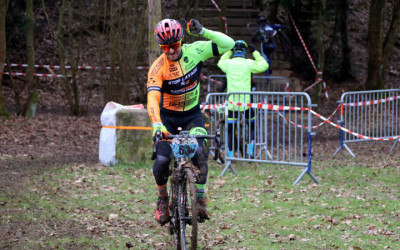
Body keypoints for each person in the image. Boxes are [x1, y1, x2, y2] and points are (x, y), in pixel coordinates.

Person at [147, 18, 235, 225]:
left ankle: (200, 198)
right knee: (161, 161)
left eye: (174, 45)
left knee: (199, 153)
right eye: (165, 47)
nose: (170, 51)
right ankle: (162, 199)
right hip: (166, 118)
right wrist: (156, 124)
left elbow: (229, 45)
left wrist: (204, 31)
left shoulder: (196, 51)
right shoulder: (158, 68)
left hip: (192, 116)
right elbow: (152, 98)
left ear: (182, 40)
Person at [217, 40, 269, 158]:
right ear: (245, 51)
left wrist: (228, 51)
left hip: (232, 103)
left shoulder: (228, 63)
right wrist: (255, 52)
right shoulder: (248, 63)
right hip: (246, 102)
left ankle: (230, 155)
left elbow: (220, 62)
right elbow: (265, 65)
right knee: (250, 126)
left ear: (234, 51)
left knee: (230, 129)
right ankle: (250, 153)